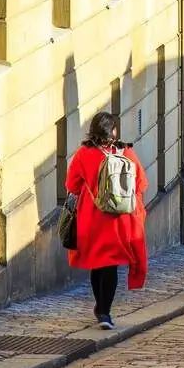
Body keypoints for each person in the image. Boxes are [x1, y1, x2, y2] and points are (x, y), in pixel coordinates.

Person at [65, 111, 149, 329]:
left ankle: (100, 309)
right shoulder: (126, 151)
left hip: (92, 216)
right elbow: (141, 183)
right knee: (110, 264)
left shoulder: (84, 154)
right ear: (113, 130)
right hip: (120, 218)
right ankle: (104, 311)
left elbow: (72, 185)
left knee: (97, 264)